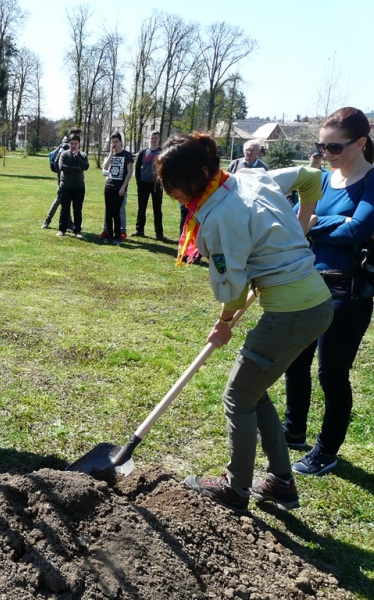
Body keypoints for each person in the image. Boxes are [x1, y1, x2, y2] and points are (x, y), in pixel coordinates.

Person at [157, 132, 332, 512]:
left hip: (291, 313)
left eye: (177, 187)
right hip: (313, 303)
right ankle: (281, 483)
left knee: (237, 396)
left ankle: (235, 489)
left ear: (201, 173)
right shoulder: (251, 178)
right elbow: (309, 178)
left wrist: (224, 323)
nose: (176, 196)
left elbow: (233, 289)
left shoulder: (219, 216)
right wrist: (301, 221)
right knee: (253, 390)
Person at [283, 107, 374, 476]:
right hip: (308, 282)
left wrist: (315, 222)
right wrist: (329, 222)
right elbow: (293, 219)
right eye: (322, 147)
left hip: (347, 290)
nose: (326, 154)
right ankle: (294, 430)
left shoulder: (371, 181)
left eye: (334, 147)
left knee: (331, 374)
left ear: (361, 143)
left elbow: (358, 230)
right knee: (295, 362)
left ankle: (326, 451)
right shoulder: (320, 180)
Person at [43, 129, 80, 231]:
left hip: (65, 179)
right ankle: (47, 220)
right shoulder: (65, 147)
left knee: (64, 202)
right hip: (63, 180)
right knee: (59, 200)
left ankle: (69, 223)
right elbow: (59, 164)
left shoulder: (65, 144)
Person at [101, 132, 133, 245]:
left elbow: (130, 172)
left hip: (119, 188)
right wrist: (110, 153)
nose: (114, 144)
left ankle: (117, 236)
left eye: (116, 142)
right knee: (108, 212)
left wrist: (123, 187)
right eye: (112, 142)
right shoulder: (111, 155)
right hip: (109, 186)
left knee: (116, 212)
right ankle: (108, 235)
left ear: (121, 142)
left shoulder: (127, 155)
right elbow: (105, 167)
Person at [133, 131, 165, 240]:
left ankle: (159, 233)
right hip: (143, 184)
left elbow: (165, 169)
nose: (153, 140)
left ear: (159, 139)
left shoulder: (162, 152)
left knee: (157, 209)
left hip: (156, 185)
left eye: (155, 138)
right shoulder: (143, 152)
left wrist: (162, 181)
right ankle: (139, 230)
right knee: (141, 208)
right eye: (152, 138)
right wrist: (138, 181)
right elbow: (137, 168)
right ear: (149, 139)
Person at [56, 134, 89, 238]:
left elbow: (85, 166)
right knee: (64, 209)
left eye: (75, 143)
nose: (73, 146)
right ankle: (62, 229)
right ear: (68, 144)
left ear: (79, 144)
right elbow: (62, 167)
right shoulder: (64, 154)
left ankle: (77, 230)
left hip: (79, 187)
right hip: (65, 186)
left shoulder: (83, 155)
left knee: (77, 209)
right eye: (71, 143)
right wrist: (76, 168)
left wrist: (77, 157)